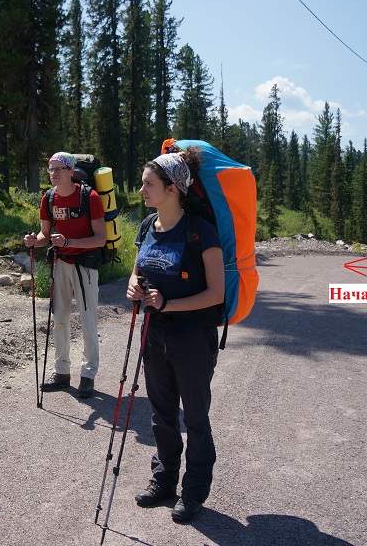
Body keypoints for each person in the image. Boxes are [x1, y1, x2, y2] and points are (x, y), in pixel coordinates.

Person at [126, 145, 225, 523]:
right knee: (161, 413)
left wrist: (167, 304)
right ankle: (164, 479)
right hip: (154, 334)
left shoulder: (201, 232)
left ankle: (194, 490)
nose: (141, 190)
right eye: (142, 183)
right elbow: (138, 270)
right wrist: (135, 287)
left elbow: (215, 293)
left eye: (148, 184)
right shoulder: (147, 227)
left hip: (192, 337)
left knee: (196, 417)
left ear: (172, 190)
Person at [24, 152, 107, 399]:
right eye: (50, 169)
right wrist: (33, 241)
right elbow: (44, 236)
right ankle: (62, 372)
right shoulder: (48, 198)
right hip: (60, 263)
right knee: (59, 318)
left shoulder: (89, 197)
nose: (53, 173)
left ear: (71, 171)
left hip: (85, 265)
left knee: (88, 319)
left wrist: (69, 240)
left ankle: (88, 374)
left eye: (59, 169)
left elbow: (100, 239)